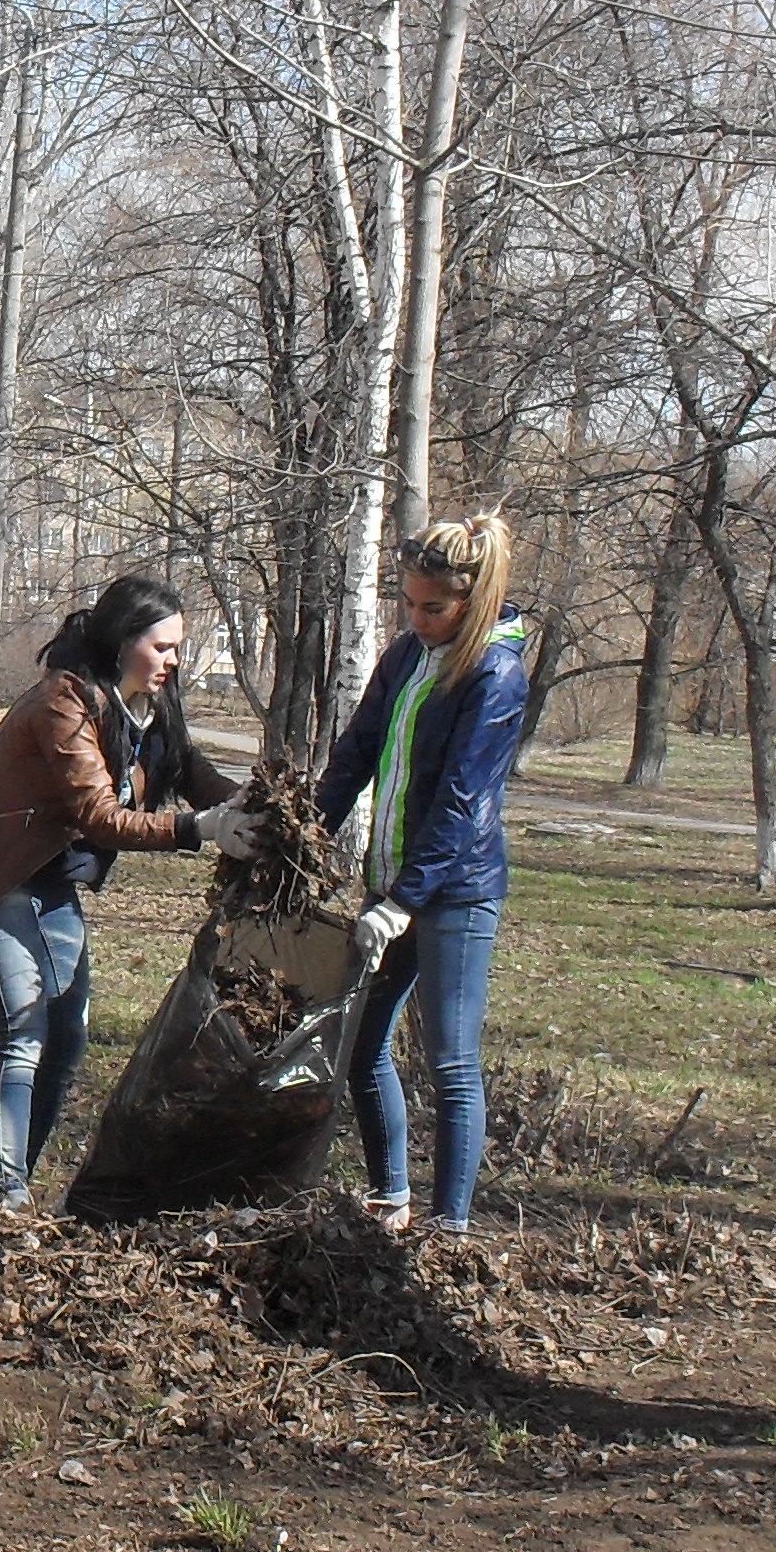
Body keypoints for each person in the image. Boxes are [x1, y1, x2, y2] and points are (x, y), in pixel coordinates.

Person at [0, 575, 250, 1207]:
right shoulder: (66, 701)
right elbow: (97, 814)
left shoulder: (149, 704)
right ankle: (8, 1195)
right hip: (1, 874)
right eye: (161, 647)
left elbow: (188, 769)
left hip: (55, 884)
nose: (172, 661)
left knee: (68, 1037)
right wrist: (199, 829)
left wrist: (249, 807)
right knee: (24, 1031)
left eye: (177, 649)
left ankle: (15, 1183)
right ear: (121, 640)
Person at [314, 514, 530, 1238]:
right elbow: (356, 751)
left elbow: (462, 800)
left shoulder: (494, 673)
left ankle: (450, 1229)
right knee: (363, 1043)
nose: (417, 618)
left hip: (455, 893)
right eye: (407, 603)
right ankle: (390, 1198)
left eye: (432, 607)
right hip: (394, 886)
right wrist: (307, 833)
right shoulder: (407, 655)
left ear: (474, 601)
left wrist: (405, 899)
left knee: (451, 1063)